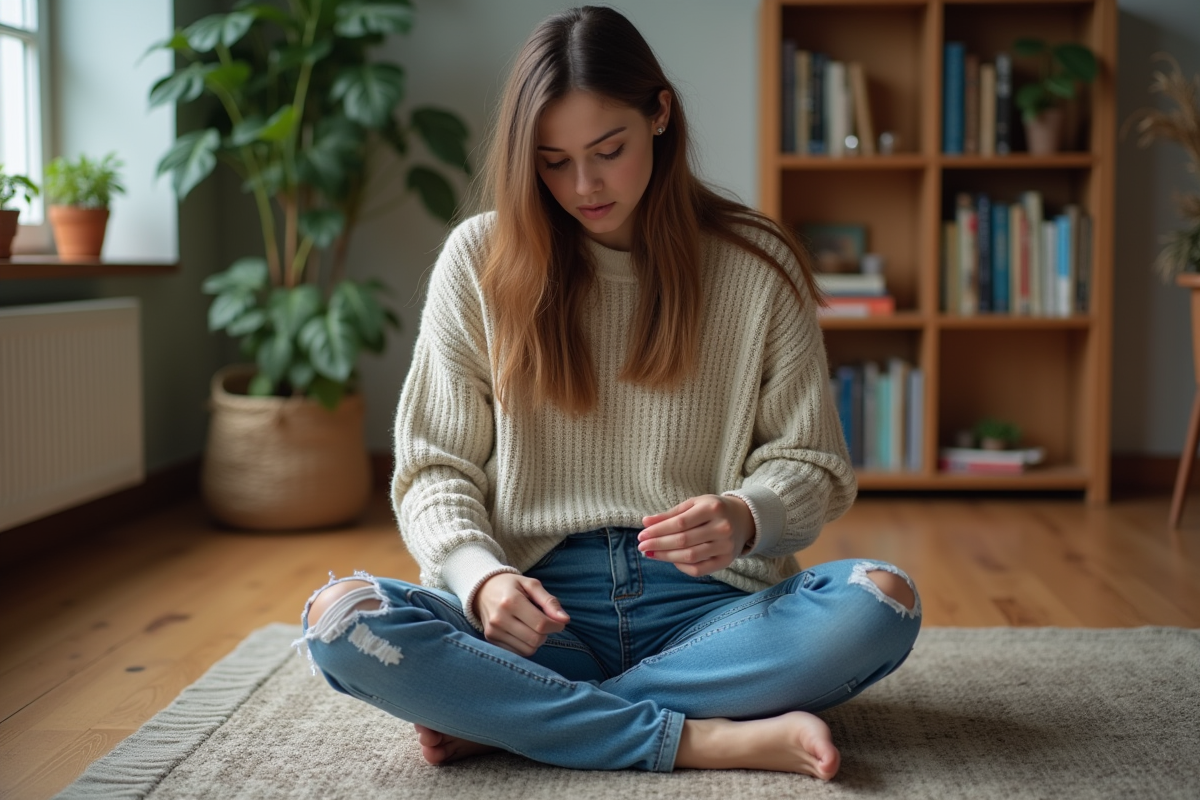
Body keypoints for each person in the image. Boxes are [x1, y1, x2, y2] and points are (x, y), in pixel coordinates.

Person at [298, 5, 920, 781]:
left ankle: (520, 714)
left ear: (659, 114)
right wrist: (481, 578)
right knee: (341, 621)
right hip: (533, 611)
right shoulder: (479, 260)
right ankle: (700, 737)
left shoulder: (756, 263)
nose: (583, 185)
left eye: (608, 150)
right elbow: (433, 469)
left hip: (714, 610)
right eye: (553, 161)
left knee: (880, 602)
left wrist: (744, 515)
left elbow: (815, 466)